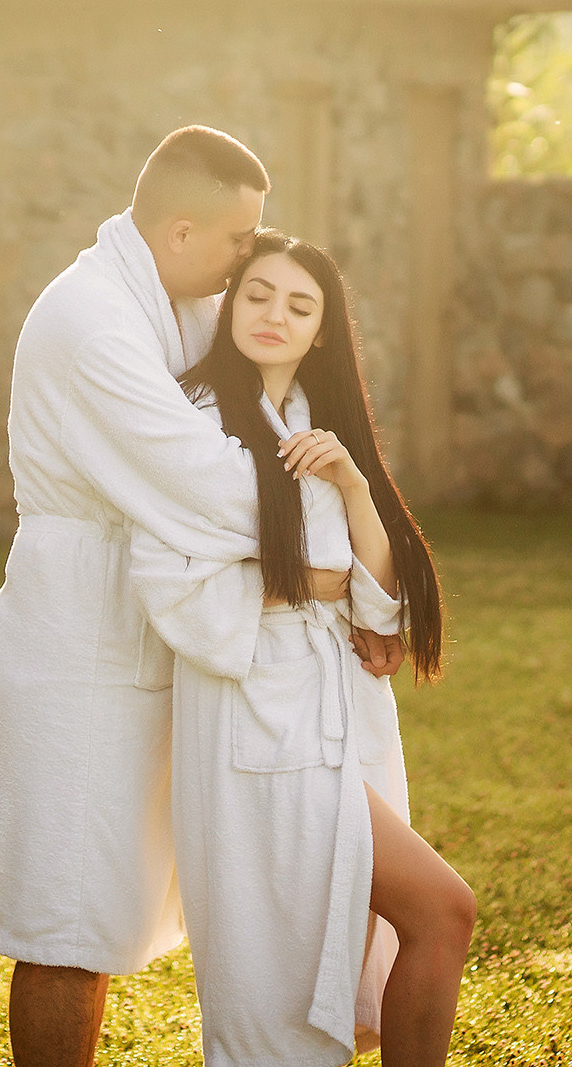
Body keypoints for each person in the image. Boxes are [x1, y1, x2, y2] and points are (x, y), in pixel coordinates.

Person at [0, 127, 397, 1067]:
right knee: (66, 926)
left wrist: (366, 533)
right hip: (76, 652)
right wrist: (339, 580)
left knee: (118, 911)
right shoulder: (91, 321)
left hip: (158, 636)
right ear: (178, 232)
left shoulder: (171, 300)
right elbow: (206, 484)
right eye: (239, 240)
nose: (248, 256)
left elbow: (272, 361)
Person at [134, 230, 476, 1067]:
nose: (273, 315)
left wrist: (355, 487)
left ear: (323, 329)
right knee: (439, 910)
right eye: (257, 294)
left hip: (334, 718)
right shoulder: (193, 424)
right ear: (229, 304)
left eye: (298, 304)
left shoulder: (315, 429)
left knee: (416, 925)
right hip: (259, 718)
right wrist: (316, 581)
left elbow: (377, 614)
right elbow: (174, 581)